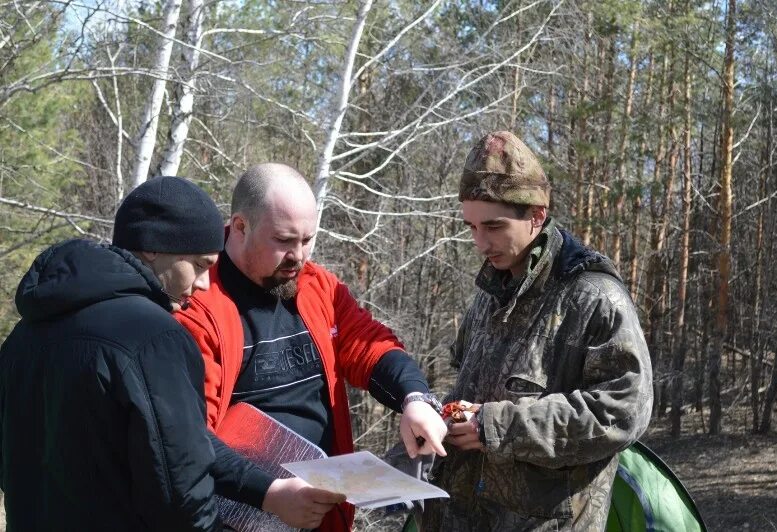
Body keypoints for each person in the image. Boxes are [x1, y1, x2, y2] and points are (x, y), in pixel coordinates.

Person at [176, 163, 448, 531]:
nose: (299, 256)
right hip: (238, 515)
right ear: (240, 227)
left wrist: (414, 398)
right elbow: (190, 436)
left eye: (307, 240)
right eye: (284, 241)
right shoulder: (198, 308)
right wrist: (270, 493)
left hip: (323, 512)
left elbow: (370, 345)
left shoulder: (318, 287)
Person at [0, 176, 270, 531]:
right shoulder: (156, 339)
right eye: (201, 265)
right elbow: (180, 494)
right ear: (154, 248)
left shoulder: (25, 333)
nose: (204, 284)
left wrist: (265, 489)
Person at [423, 131, 654, 531]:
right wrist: (435, 418)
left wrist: (496, 427)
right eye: (471, 227)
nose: (480, 242)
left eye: (493, 226)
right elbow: (462, 385)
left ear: (536, 215)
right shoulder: (491, 290)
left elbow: (622, 412)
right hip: (460, 517)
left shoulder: (594, 297)